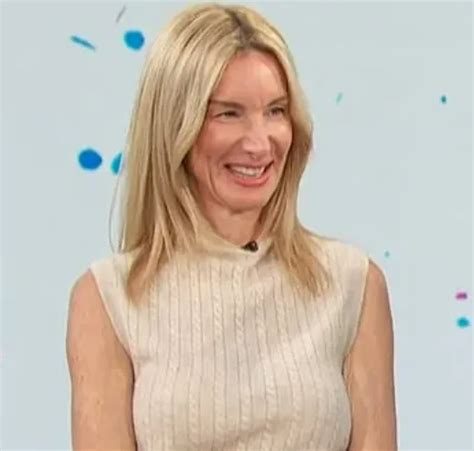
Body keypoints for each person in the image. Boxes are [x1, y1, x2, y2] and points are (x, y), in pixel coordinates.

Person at [66, 3, 397, 450]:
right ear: (175, 127)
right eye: (229, 113)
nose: (260, 143)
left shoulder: (353, 284)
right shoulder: (108, 298)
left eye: (276, 111)